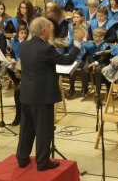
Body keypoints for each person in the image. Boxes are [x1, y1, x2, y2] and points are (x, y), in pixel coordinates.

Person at [16, 17, 84, 171]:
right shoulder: (46, 48)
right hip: (42, 96)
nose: (51, 31)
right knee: (43, 129)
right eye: (49, 28)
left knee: (26, 129)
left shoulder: (23, 46)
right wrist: (77, 43)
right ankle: (42, 161)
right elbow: (66, 61)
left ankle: (22, 158)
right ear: (44, 31)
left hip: (26, 93)